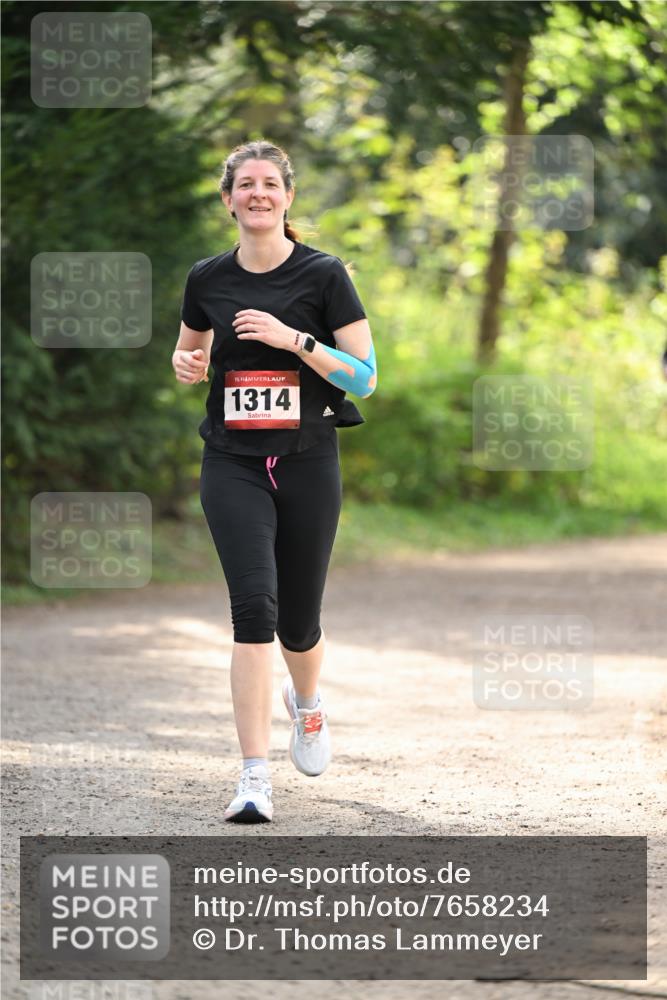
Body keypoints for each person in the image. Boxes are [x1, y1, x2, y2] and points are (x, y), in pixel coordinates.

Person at [172, 139, 377, 823]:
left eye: (269, 183)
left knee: (298, 624)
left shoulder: (323, 275)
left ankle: (307, 704)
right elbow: (190, 349)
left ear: (287, 197)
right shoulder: (206, 277)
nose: (257, 193)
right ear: (228, 199)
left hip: (307, 460)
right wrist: (186, 364)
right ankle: (254, 777)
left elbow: (366, 379)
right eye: (245, 184)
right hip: (231, 461)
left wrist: (295, 340)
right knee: (254, 611)